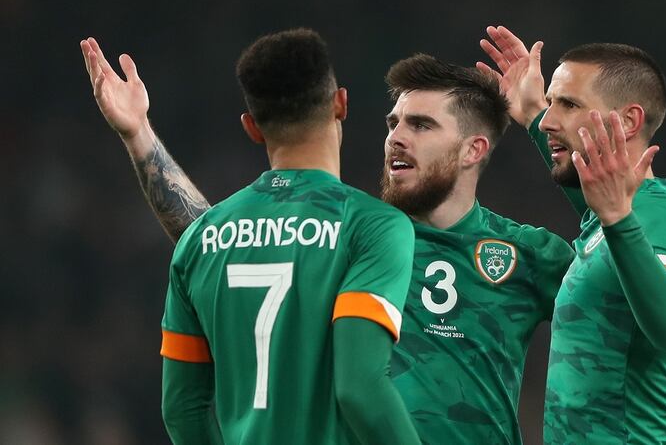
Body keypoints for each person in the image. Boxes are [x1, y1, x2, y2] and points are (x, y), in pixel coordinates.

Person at [82, 36, 666, 444]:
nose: (396, 136)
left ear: (472, 151)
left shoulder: (534, 257)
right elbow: (220, 244)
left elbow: (620, 329)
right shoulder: (358, 236)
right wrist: (140, 137)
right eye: (394, 121)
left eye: (422, 124)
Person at [80, 29, 421, 445]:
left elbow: (182, 410)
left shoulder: (201, 241)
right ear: (340, 103)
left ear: (252, 127)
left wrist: (138, 134)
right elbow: (360, 389)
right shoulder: (373, 227)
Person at [479, 26, 666, 443]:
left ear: (628, 120)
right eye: (551, 103)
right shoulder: (612, 219)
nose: (550, 119)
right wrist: (531, 112)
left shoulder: (661, 215)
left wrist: (618, 218)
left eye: (567, 103)